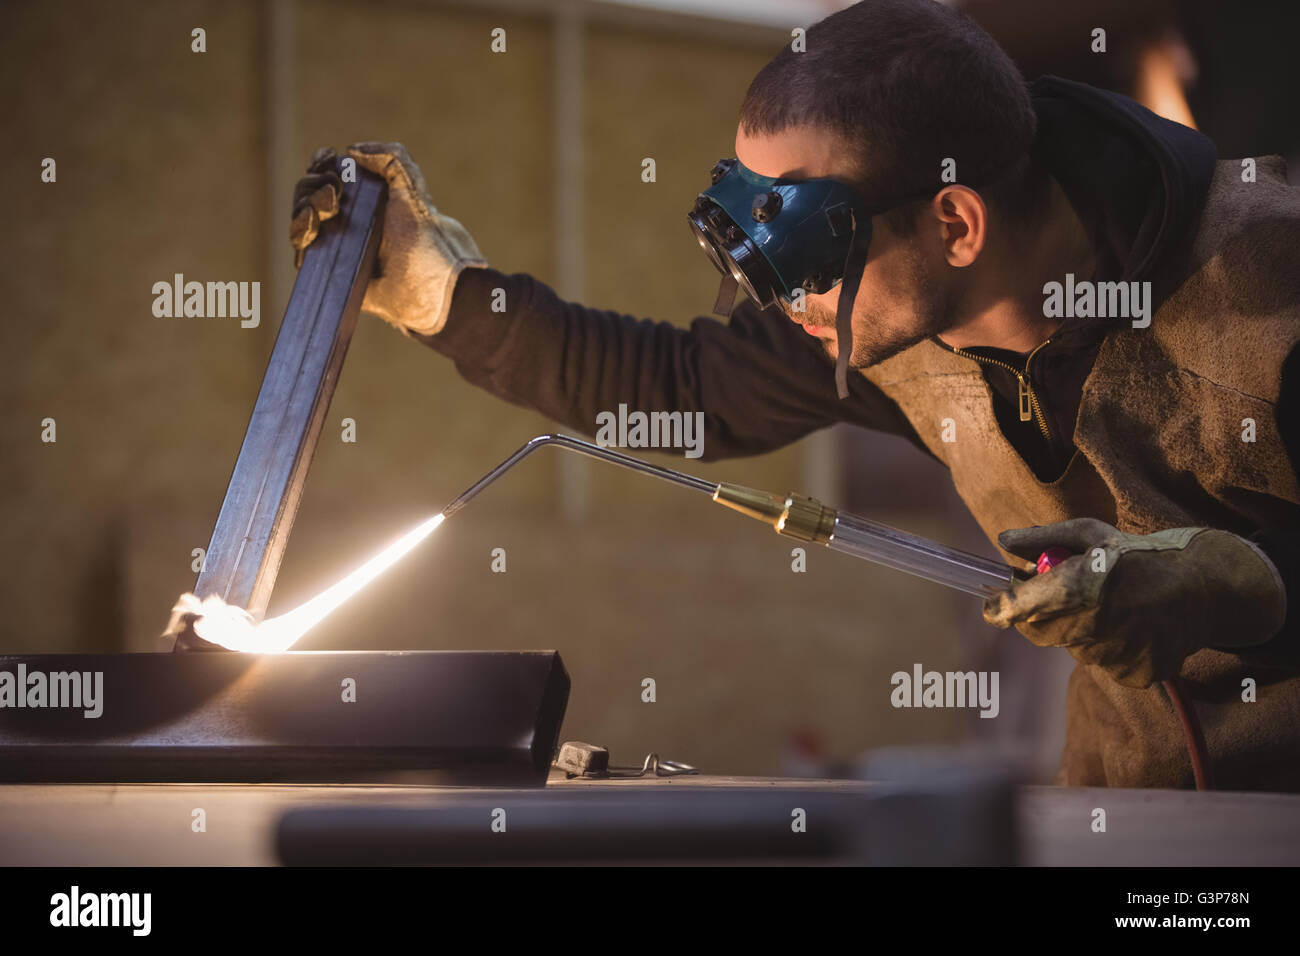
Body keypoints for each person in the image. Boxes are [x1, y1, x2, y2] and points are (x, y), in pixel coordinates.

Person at [289, 0, 1300, 791]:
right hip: (1125, 810)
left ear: (955, 225)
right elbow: (684, 387)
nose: (783, 301)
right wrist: (449, 298)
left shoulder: (1268, 285)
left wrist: (1243, 580)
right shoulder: (879, 324)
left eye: (807, 252)